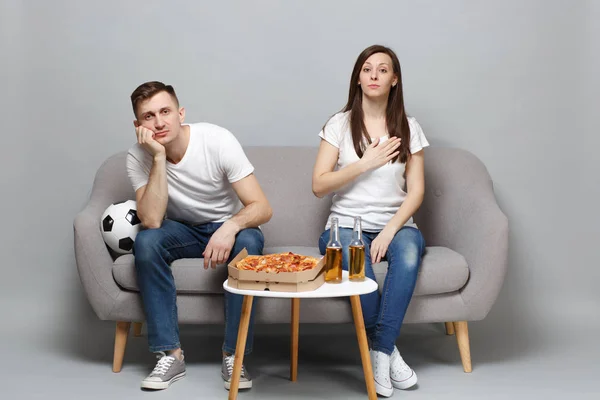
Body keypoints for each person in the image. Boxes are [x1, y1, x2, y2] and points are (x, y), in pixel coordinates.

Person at [126, 81, 272, 391]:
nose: (159, 122)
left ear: (180, 114)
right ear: (138, 126)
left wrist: (229, 227)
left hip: (227, 226)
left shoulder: (217, 140)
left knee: (251, 242)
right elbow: (151, 220)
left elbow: (262, 207)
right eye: (148, 116)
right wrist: (158, 157)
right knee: (146, 242)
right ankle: (171, 354)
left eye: (165, 112)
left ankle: (234, 355)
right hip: (182, 230)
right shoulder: (138, 156)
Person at [312, 45, 429, 397]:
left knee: (407, 255)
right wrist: (366, 162)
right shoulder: (338, 124)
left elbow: (417, 192)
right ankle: (388, 353)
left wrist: (391, 230)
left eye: (382, 69)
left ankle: (378, 352)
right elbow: (318, 185)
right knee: (362, 273)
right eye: (367, 69)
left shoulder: (409, 128)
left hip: (397, 226)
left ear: (394, 80)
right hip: (345, 226)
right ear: (358, 78)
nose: (374, 75)